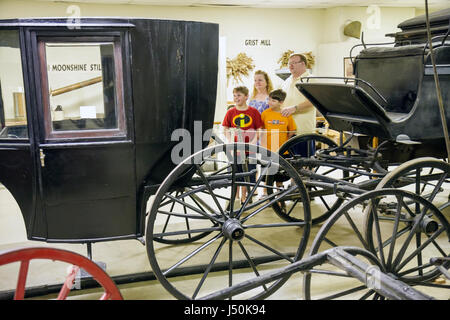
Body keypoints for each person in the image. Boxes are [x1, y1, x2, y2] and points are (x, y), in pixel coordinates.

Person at [222, 86, 263, 204]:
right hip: (236, 149)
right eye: (234, 95)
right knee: (236, 173)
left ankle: (244, 197)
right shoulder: (230, 112)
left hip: (250, 149)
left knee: (249, 172)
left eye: (239, 95)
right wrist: (230, 141)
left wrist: (254, 141)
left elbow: (259, 128)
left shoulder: (253, 112)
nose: (236, 98)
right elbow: (225, 128)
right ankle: (234, 197)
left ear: (246, 96)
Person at [260, 89, 296, 202]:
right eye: (269, 99)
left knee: (279, 172)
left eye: (273, 100)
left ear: (281, 102)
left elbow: (292, 130)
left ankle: (279, 190)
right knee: (267, 172)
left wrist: (286, 141)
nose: (270, 102)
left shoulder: (286, 114)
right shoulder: (265, 113)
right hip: (267, 148)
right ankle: (265, 192)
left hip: (281, 150)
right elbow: (261, 129)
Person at [280, 53, 316, 156]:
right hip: (287, 130)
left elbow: (313, 101)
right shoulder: (286, 81)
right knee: (290, 164)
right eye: (289, 63)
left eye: (294, 63)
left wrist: (295, 108)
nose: (290, 66)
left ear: (303, 64)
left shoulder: (310, 79)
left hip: (303, 130)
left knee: (306, 164)